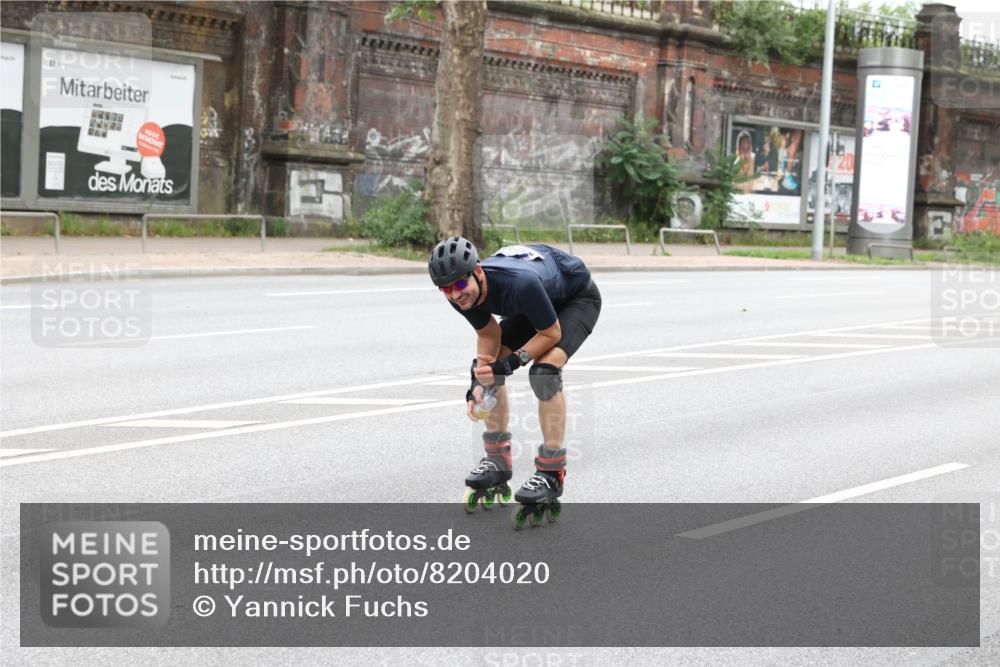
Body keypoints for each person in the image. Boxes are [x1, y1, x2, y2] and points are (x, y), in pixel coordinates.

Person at [428, 236, 601, 527]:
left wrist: (509, 363)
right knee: (488, 372)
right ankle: (497, 460)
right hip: (533, 305)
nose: (455, 294)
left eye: (459, 285)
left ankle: (551, 473)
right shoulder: (461, 294)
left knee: (544, 373)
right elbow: (488, 334)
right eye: (446, 289)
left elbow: (551, 333)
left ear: (478, 272)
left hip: (574, 300)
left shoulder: (520, 284)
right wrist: (478, 383)